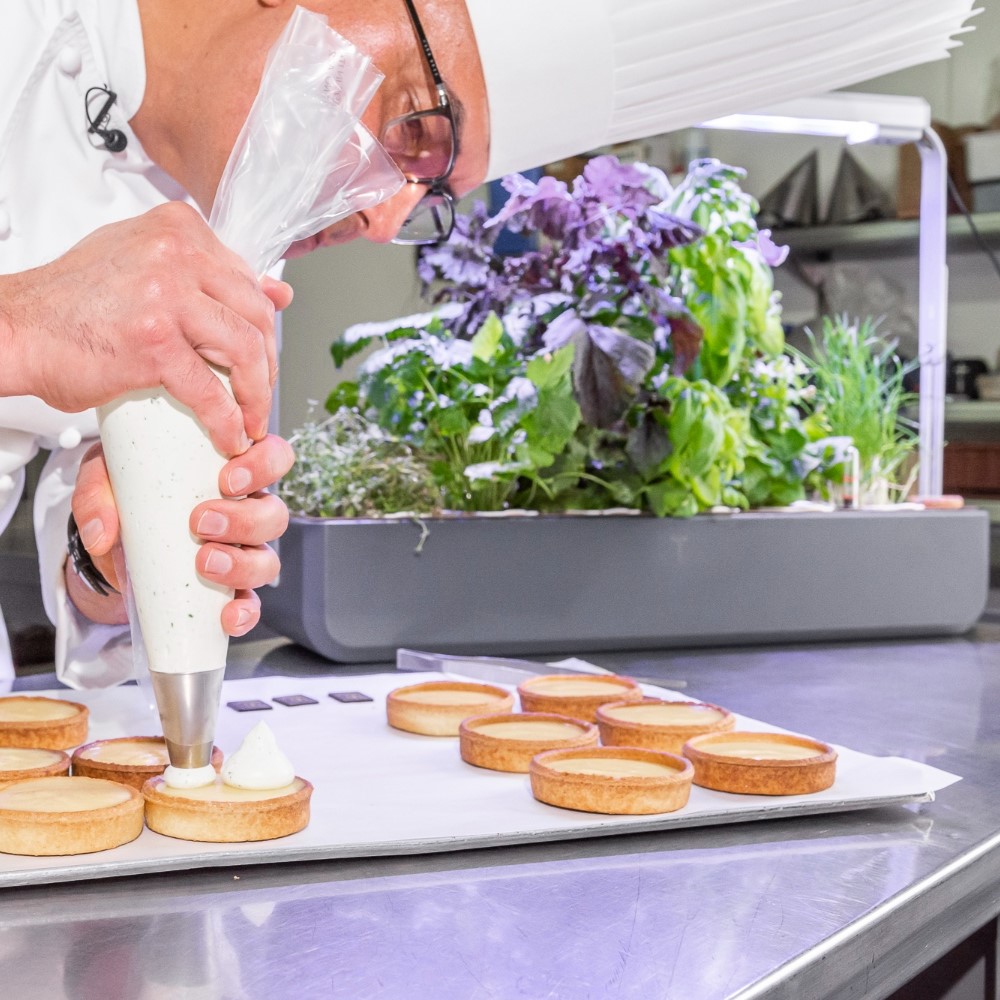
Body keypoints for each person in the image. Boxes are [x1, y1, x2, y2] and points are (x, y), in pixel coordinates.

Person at [0, 0, 977, 684]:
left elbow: (66, 556)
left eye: (430, 185)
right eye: (418, 124)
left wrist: (114, 563)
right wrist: (27, 321)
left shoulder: (226, 222)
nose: (385, 218)